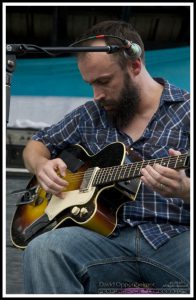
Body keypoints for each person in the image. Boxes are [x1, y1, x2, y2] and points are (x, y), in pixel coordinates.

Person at [22, 20, 190, 294]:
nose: (96, 95)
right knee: (43, 249)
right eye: (90, 84)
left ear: (135, 66)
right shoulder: (89, 114)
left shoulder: (187, 111)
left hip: (176, 239)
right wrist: (42, 164)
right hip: (104, 240)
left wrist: (186, 191)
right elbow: (36, 145)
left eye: (104, 82)